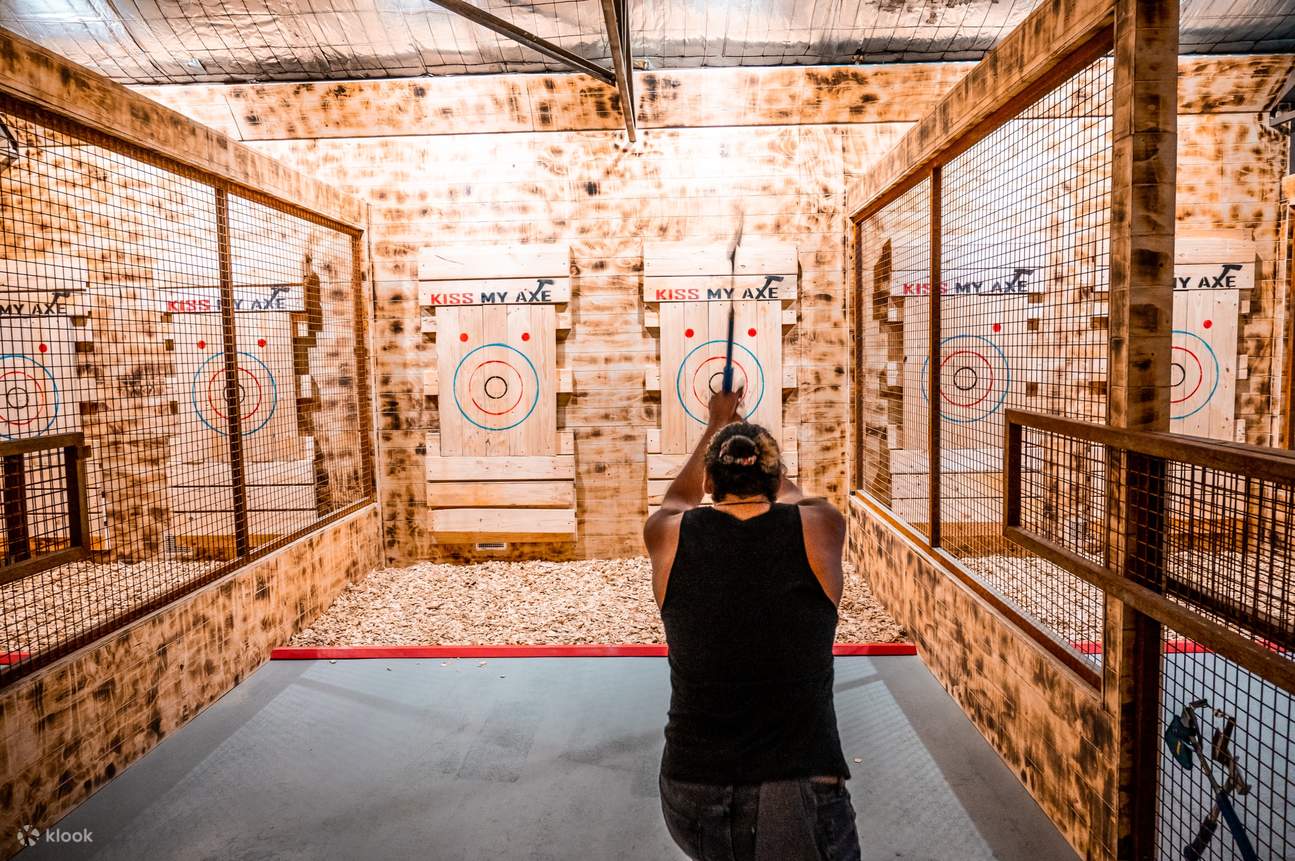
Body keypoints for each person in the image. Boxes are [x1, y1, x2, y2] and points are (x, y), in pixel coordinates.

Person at [643, 387, 862, 861]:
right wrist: (751, 447)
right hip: (795, 782)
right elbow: (793, 496)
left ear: (709, 480)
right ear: (776, 474)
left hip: (690, 785)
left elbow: (677, 498)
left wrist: (716, 423)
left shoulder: (667, 534)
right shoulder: (819, 526)